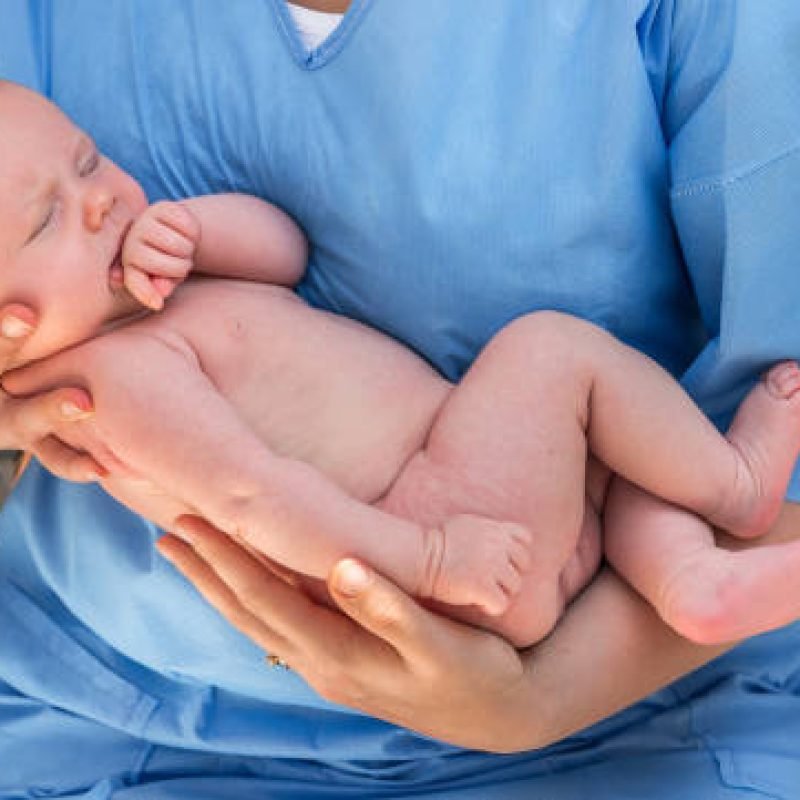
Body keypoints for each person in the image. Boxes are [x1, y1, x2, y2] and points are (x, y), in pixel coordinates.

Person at [1, 1, 800, 797]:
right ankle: (735, 482)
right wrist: (430, 558)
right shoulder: (116, 384)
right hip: (426, 529)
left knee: (610, 459)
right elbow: (251, 493)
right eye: (47, 222)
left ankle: (687, 577)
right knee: (551, 354)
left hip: (517, 582)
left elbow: (283, 252)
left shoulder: (153, 297)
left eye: (89, 163)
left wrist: (195, 234)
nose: (101, 200)